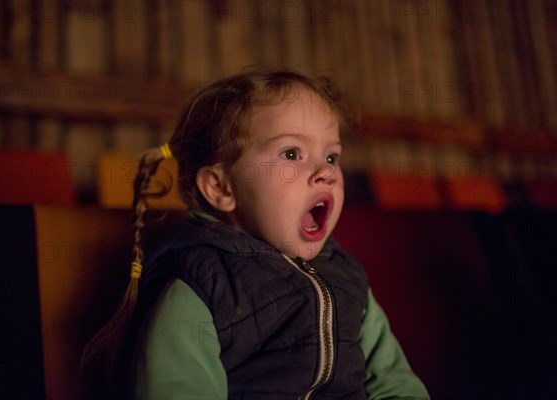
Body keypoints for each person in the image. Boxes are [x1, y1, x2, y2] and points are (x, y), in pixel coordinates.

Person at [83, 69, 430, 399]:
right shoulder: (201, 288)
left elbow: (395, 383)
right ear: (222, 187)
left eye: (332, 156)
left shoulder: (347, 277)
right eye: (292, 153)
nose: (326, 171)